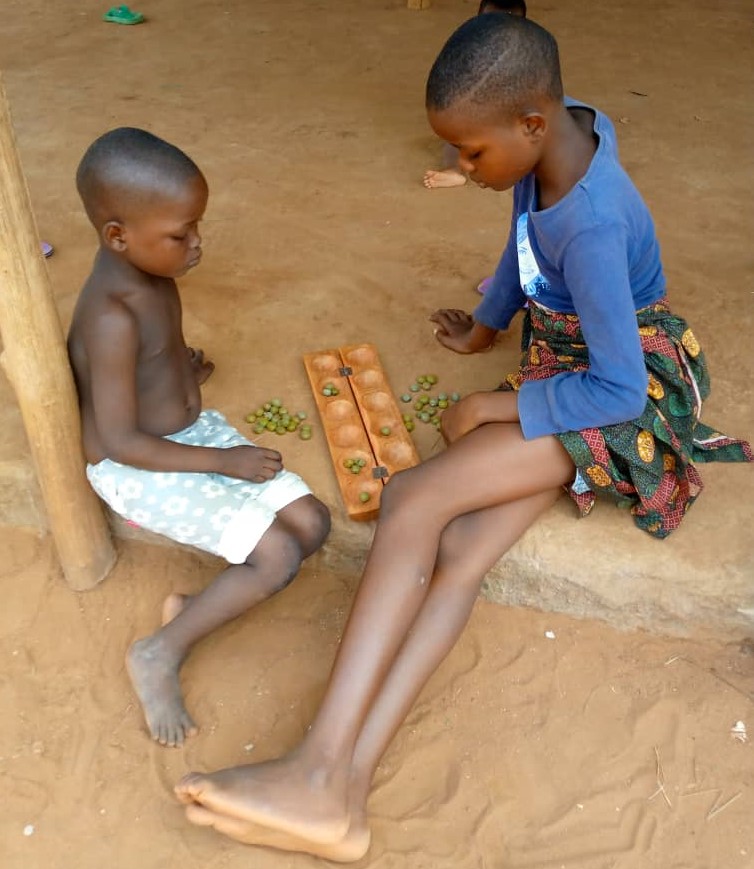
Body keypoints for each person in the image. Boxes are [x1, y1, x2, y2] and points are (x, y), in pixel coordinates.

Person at [172, 15, 752, 861]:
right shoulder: (559, 135)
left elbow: (619, 387)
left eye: (471, 155)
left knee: (414, 498)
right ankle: (341, 795)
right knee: (463, 547)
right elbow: (524, 244)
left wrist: (497, 405)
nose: (459, 168)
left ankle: (320, 764)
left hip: (616, 396)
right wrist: (487, 327)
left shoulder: (590, 225)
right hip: (576, 355)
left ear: (530, 125)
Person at [68, 128, 330, 748]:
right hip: (138, 466)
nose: (196, 245)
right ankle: (158, 652)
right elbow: (122, 440)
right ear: (117, 235)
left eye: (196, 227)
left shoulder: (149, 273)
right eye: (180, 234)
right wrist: (223, 460)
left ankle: (194, 608)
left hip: (184, 434)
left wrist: (179, 371)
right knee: (279, 556)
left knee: (313, 523)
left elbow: (152, 361)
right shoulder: (110, 316)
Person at [423, 0, 527, 191]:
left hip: (509, 127)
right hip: (474, 121)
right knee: (455, 129)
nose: (496, 33)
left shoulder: (527, 54)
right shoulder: (469, 50)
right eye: (488, 24)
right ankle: (454, 170)